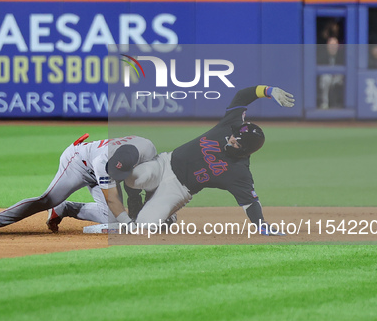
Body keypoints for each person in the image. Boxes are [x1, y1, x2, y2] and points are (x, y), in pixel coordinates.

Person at [124, 85, 295, 235]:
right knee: (134, 176)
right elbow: (242, 96)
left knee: (145, 225)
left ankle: (168, 215)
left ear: (245, 150)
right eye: (235, 134)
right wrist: (269, 91)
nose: (232, 138)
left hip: (178, 190)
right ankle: (135, 201)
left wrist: (262, 225)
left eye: (237, 141)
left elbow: (250, 203)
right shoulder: (230, 124)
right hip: (164, 164)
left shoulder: (239, 172)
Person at [0, 134, 157, 233]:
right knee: (47, 199)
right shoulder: (103, 162)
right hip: (78, 163)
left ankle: (65, 209)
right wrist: (128, 223)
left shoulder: (147, 148)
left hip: (100, 164)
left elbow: (142, 182)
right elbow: (113, 199)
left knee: (109, 218)